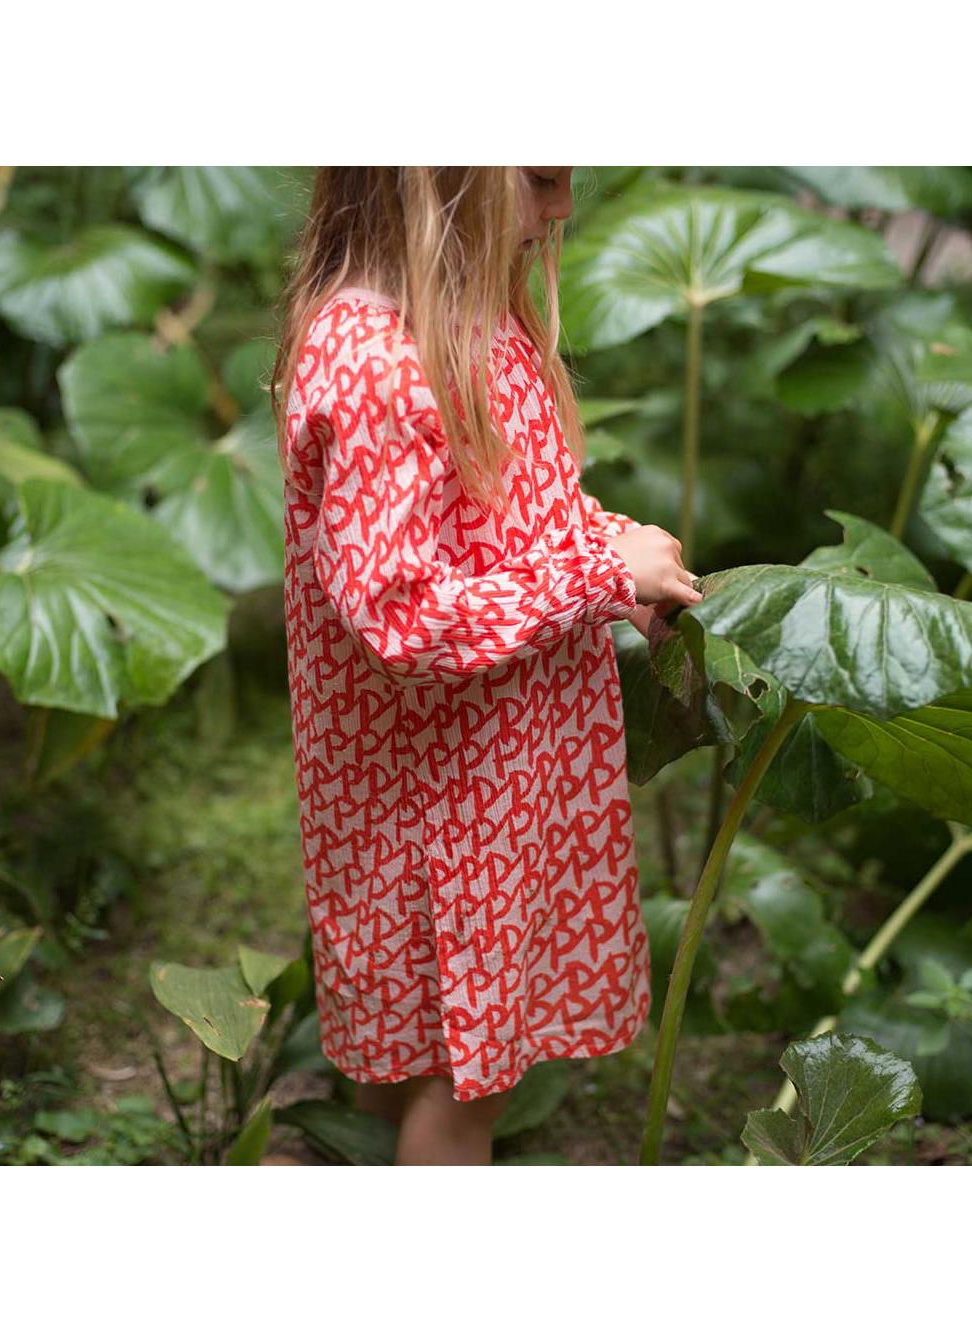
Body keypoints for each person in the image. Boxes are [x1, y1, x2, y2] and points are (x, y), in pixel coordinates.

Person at [270, 167, 702, 1166]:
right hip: (447, 793)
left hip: (489, 780)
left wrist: (610, 551)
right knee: (467, 1087)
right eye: (542, 180)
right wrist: (595, 570)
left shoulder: (463, 326)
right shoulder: (377, 363)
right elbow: (400, 614)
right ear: (440, 172)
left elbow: (509, 521)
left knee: (417, 1039)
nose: (561, 211)